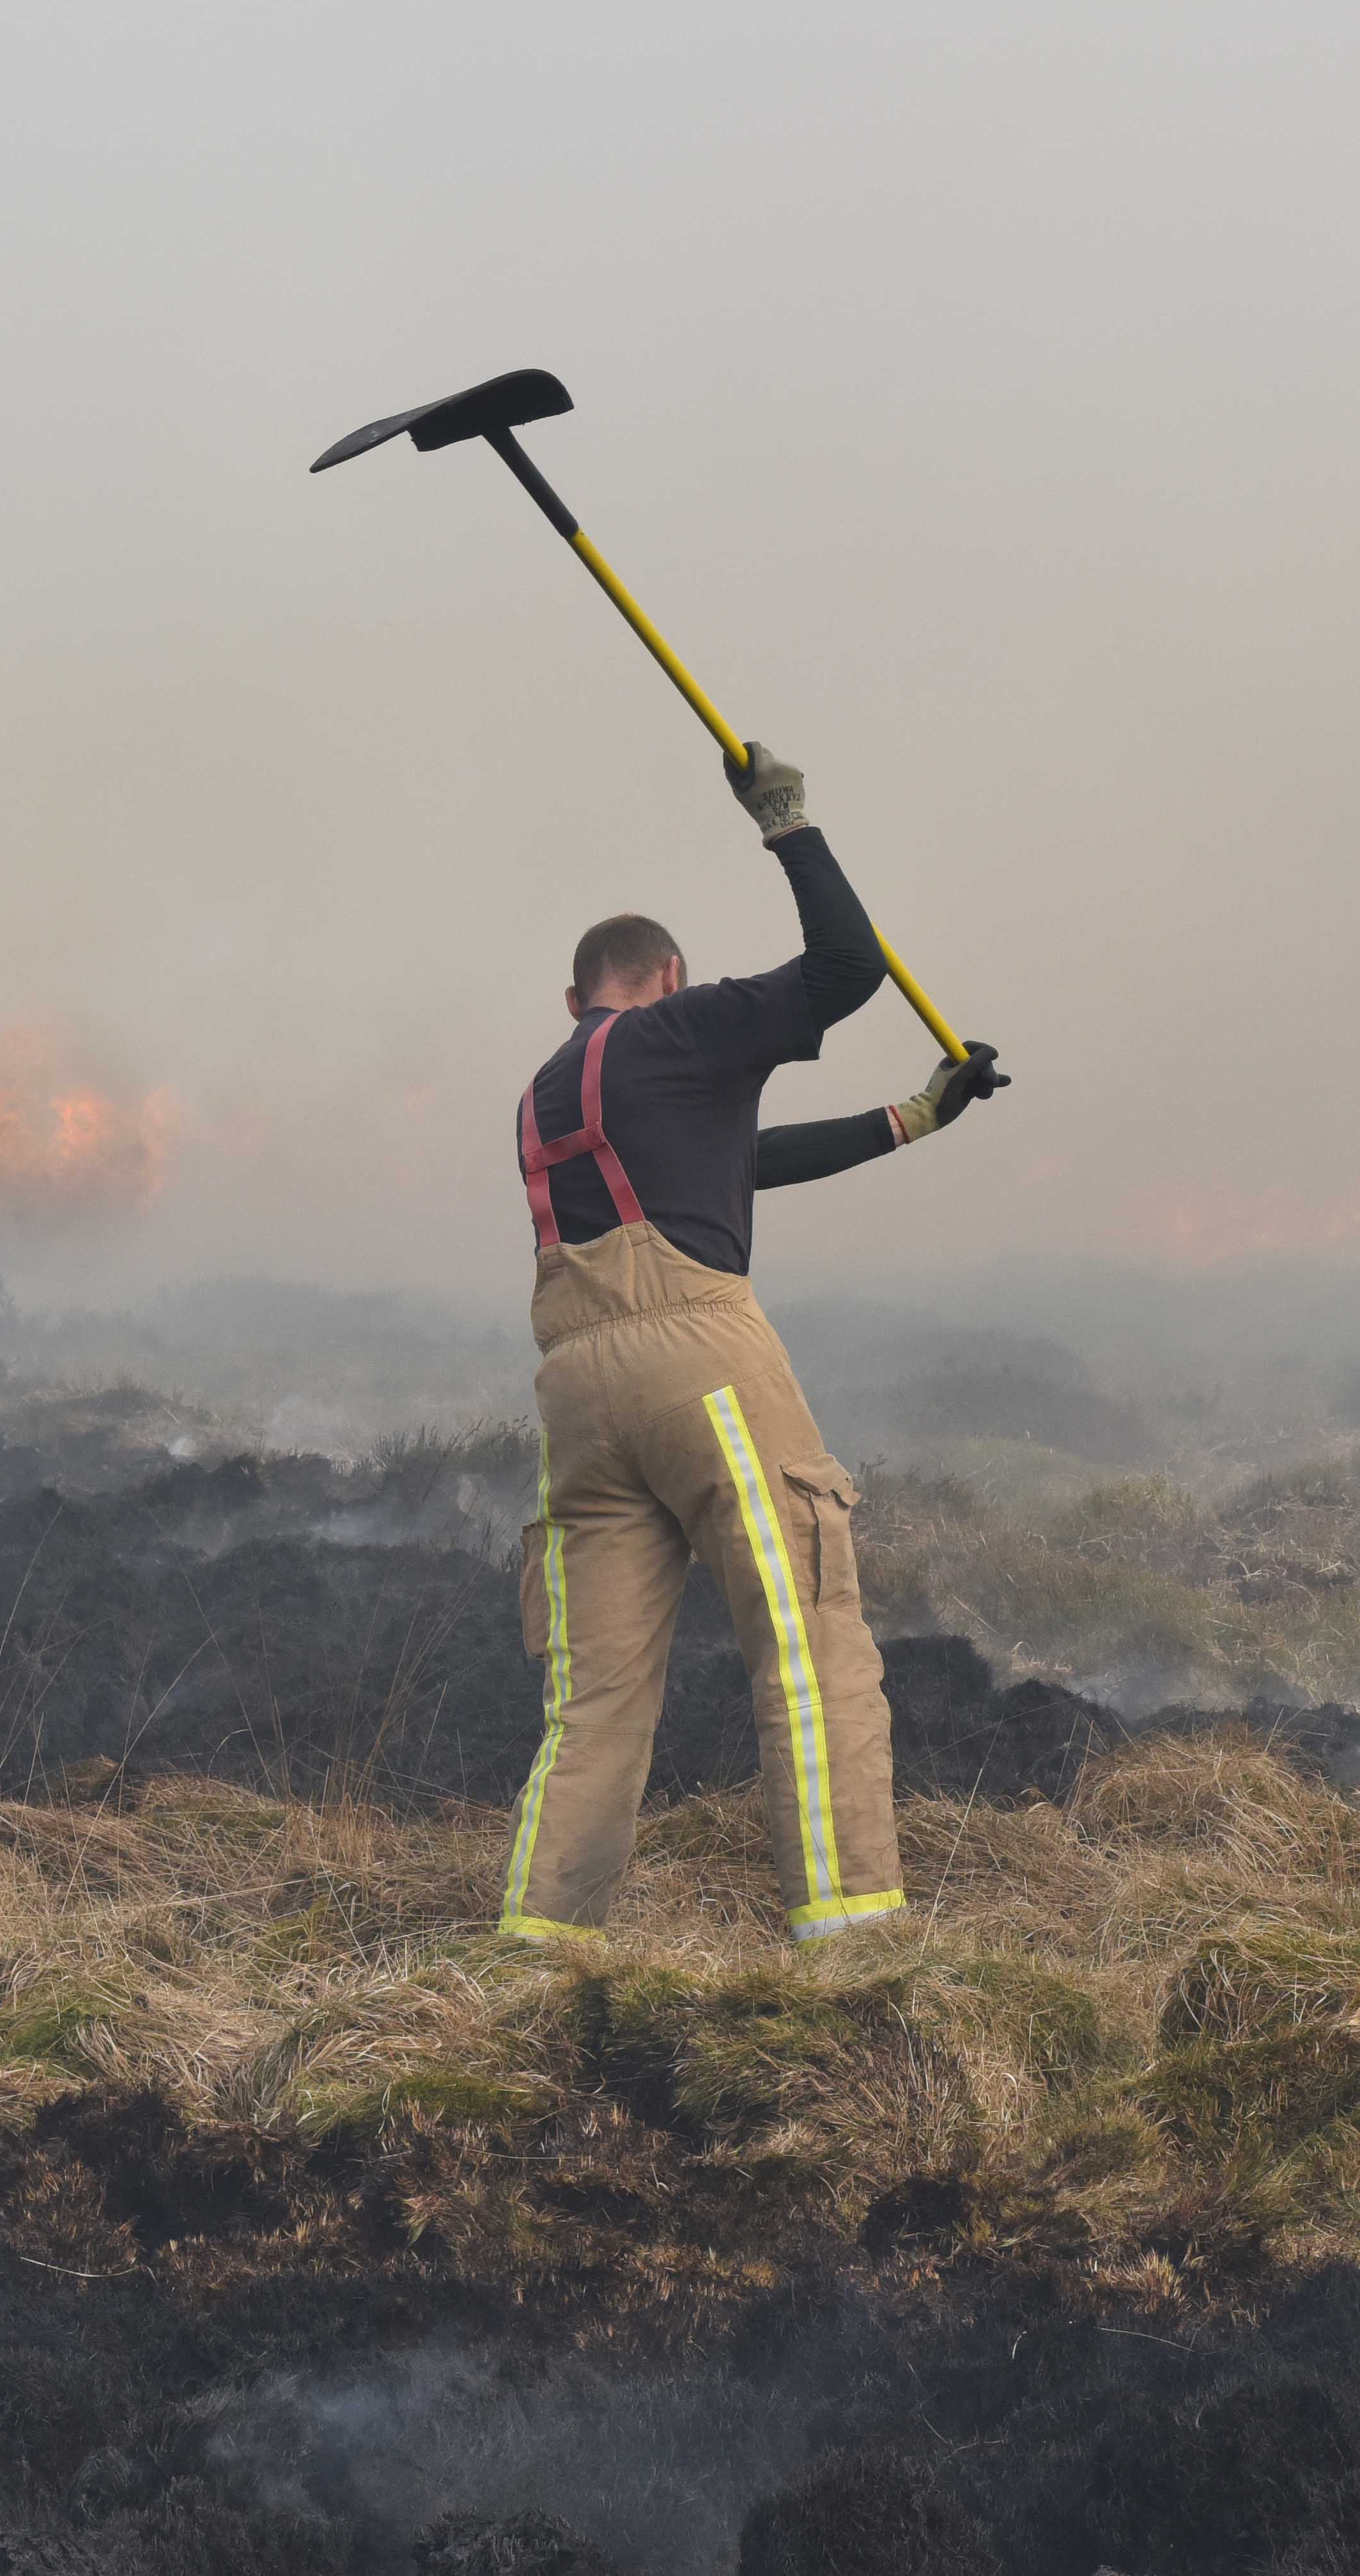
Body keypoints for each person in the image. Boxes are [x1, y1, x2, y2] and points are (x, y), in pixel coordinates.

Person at [499, 743, 1006, 1943]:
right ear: (667, 980)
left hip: (576, 1400)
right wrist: (784, 819)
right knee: (807, 1643)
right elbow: (845, 967)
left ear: (574, 1000)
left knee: (596, 1700)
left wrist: (914, 1117)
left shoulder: (546, 1090)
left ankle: (537, 1948)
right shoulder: (677, 1033)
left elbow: (745, 1164)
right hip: (698, 1369)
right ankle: (854, 1936)